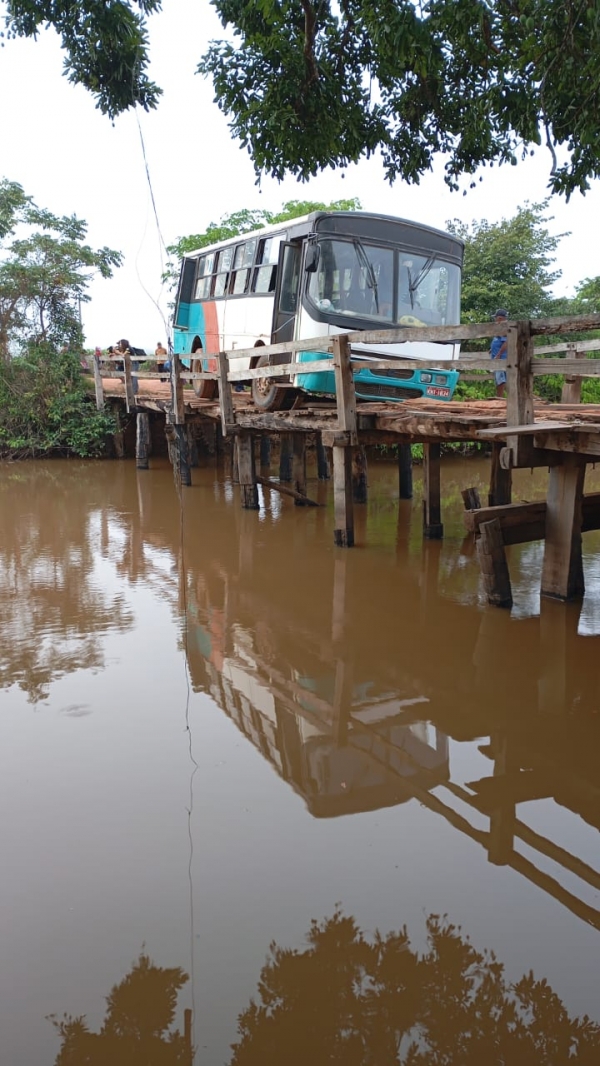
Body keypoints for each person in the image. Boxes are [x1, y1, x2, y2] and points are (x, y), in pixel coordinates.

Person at [490, 309, 508, 398]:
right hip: (496, 356)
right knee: (498, 377)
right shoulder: (499, 328)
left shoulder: (504, 328)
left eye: (496, 318)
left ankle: (499, 398)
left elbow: (506, 343)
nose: (495, 320)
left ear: (500, 318)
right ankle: (499, 397)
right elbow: (498, 341)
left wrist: (499, 354)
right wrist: (491, 349)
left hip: (501, 357)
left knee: (500, 378)